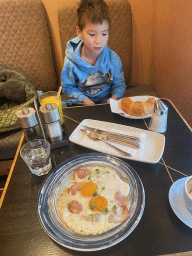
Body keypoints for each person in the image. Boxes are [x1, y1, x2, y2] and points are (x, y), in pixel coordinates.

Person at [61, 0, 126, 106]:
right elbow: (68, 87)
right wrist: (84, 100)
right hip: (82, 103)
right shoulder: (70, 61)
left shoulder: (114, 58)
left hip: (106, 103)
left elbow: (119, 85)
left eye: (104, 34)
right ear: (79, 32)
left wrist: (114, 98)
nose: (98, 41)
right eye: (92, 34)